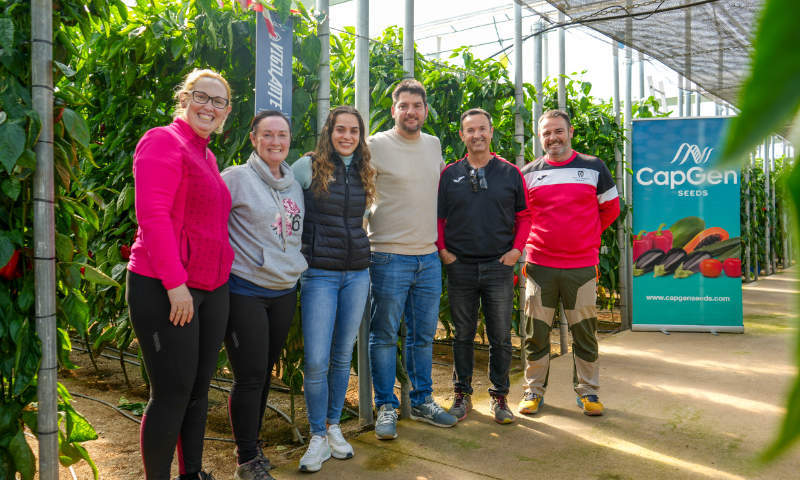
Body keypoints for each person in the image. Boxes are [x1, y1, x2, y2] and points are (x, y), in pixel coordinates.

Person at [127, 68, 234, 480]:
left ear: (226, 112)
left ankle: (192, 473)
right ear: (185, 98)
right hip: (165, 286)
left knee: (197, 390)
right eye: (202, 97)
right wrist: (175, 285)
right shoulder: (162, 141)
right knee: (171, 393)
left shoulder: (207, 155)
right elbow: (152, 217)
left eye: (219, 101)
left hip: (210, 286)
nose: (210, 107)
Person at [367, 79, 457, 440]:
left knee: (422, 336)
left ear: (424, 110)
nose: (410, 112)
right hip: (387, 256)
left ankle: (421, 401)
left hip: (427, 257)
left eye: (417, 106)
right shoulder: (374, 145)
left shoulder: (433, 145)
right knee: (385, 335)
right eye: (403, 105)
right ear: (393, 110)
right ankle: (386, 405)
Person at [221, 110, 306, 480]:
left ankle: (253, 445)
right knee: (250, 375)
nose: (276, 142)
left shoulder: (293, 184)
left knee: (265, 373)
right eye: (267, 135)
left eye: (282, 135)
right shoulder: (234, 179)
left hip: (284, 289)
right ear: (253, 138)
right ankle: (247, 458)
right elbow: (208, 223)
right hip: (245, 290)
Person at [518, 109, 620, 417]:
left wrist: (585, 236)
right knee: (535, 333)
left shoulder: (594, 167)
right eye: (546, 133)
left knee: (585, 332)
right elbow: (523, 217)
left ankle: (588, 392)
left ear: (570, 131)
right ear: (540, 137)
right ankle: (533, 391)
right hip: (539, 267)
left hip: (581, 268)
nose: (553, 138)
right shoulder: (529, 173)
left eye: (558, 131)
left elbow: (611, 209)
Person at [291, 106, 375, 472]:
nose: (346, 136)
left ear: (360, 135)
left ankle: (333, 425)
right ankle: (316, 437)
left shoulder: (364, 170)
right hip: (319, 275)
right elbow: (287, 210)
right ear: (329, 132)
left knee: (343, 356)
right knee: (316, 359)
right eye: (340, 129)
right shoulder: (306, 167)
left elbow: (365, 217)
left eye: (353, 131)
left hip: (356, 274)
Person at [437, 108, 531, 424]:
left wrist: (516, 250)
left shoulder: (509, 173)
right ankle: (462, 394)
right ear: (462, 135)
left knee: (501, 335)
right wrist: (443, 250)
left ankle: (500, 397)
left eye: (482, 129)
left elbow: (525, 216)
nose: (476, 135)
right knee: (463, 334)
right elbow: (439, 217)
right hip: (460, 266)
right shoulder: (449, 174)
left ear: (491, 132)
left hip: (498, 266)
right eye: (470, 130)